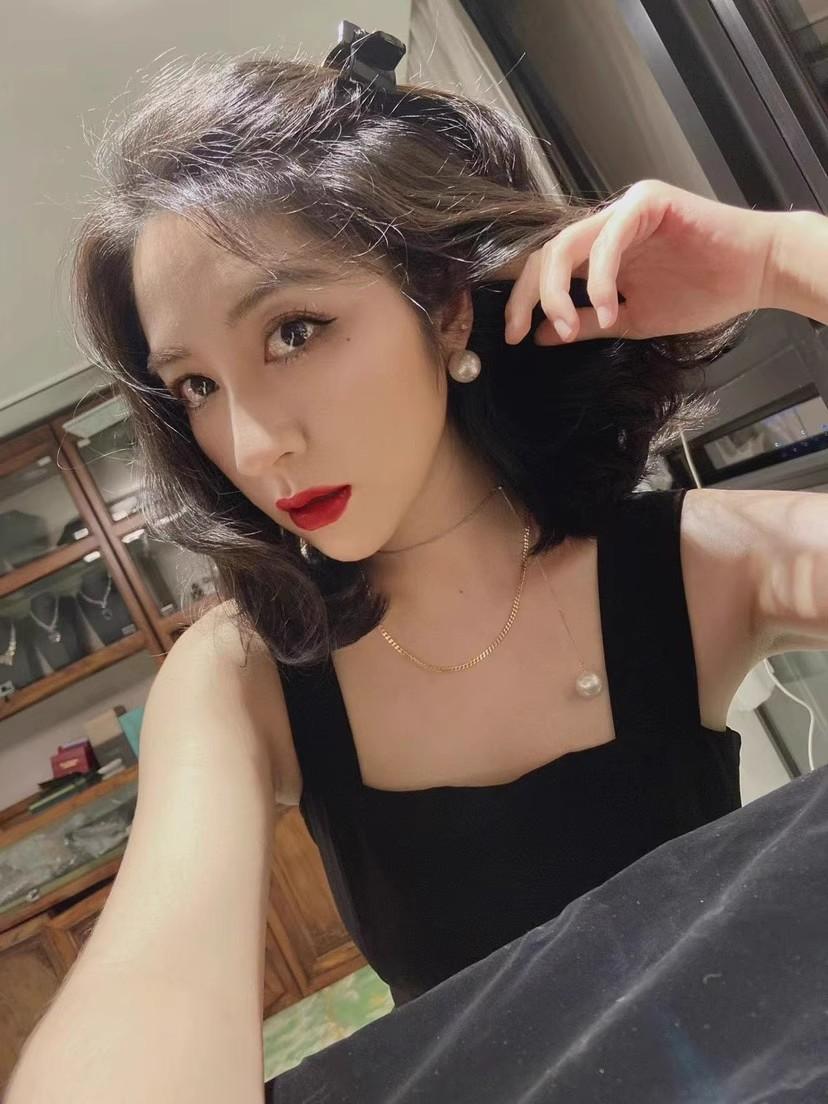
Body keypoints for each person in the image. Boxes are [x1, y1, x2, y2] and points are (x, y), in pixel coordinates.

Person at [7, 26, 828, 1104]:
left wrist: (786, 259)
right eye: (197, 386)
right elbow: (146, 986)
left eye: (294, 331)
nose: (254, 445)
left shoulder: (702, 563)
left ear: (443, 309)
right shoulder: (247, 674)